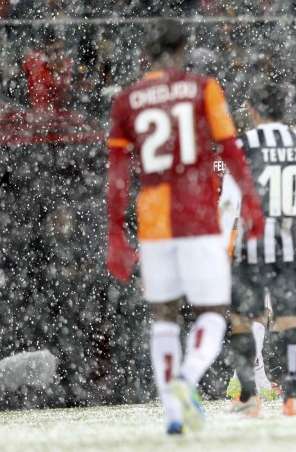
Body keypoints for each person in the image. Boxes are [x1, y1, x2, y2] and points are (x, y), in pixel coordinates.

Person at [105, 22, 264, 434]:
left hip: (155, 217)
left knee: (164, 316)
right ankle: (186, 379)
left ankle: (173, 414)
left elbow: (118, 173)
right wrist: (250, 201)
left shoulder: (127, 100)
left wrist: (115, 232)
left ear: (147, 55)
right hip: (197, 214)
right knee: (213, 310)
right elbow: (230, 150)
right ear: (182, 49)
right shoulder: (202, 88)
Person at [228, 81, 296, 416]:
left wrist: (224, 237)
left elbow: (229, 200)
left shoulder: (244, 144)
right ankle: (291, 397)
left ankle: (251, 397)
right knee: (288, 319)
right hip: (292, 248)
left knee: (243, 319)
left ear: (253, 110)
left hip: (252, 247)